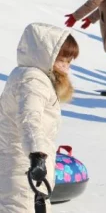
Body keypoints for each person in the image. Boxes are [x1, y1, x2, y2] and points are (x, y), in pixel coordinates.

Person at [0, 23, 78, 213]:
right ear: (45, 55)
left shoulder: (28, 76)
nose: (66, 67)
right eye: (62, 60)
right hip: (23, 166)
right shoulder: (33, 81)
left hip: (19, 164)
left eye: (69, 61)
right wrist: (37, 155)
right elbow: (30, 118)